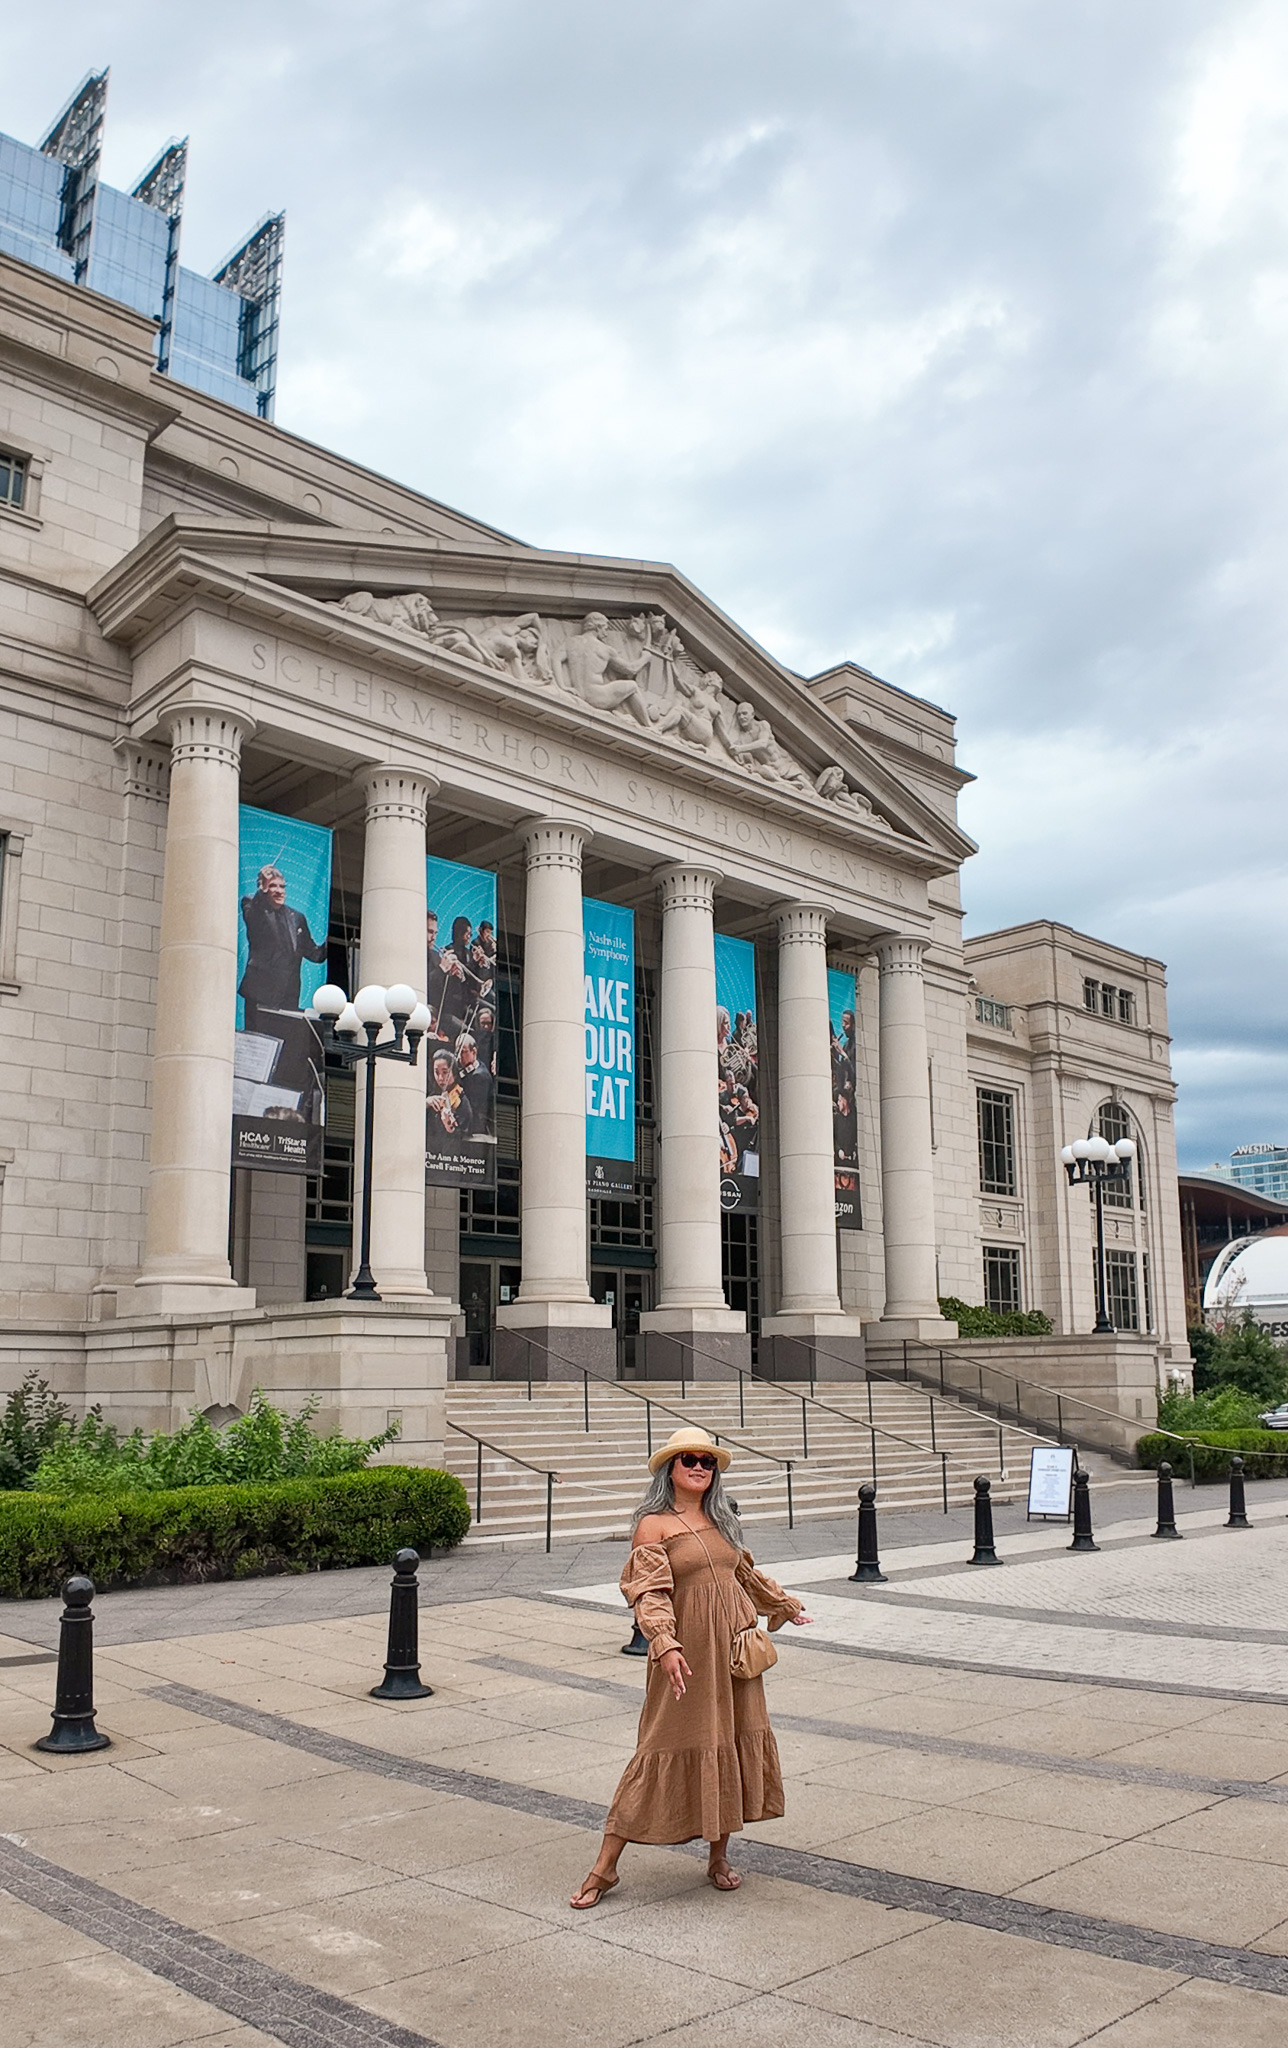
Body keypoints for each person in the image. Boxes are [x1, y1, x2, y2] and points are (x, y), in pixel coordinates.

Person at [570, 1427, 812, 1909]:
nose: (700, 1467)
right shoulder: (653, 1525)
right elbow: (650, 1591)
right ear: (671, 1470)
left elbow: (742, 1573)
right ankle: (605, 1867)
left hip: (734, 1653)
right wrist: (663, 1642)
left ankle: (718, 1857)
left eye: (707, 1461)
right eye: (689, 1460)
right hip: (687, 1652)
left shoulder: (722, 1520)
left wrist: (781, 1603)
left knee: (730, 1739)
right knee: (659, 1745)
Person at [238, 865, 327, 1031]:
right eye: (272, 886)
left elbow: (314, 953)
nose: (279, 891)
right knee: (258, 1042)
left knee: (284, 1046)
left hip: (288, 995)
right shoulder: (251, 905)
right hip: (260, 994)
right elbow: (254, 917)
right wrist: (262, 889)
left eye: (281, 886)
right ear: (263, 888)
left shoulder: (297, 918)